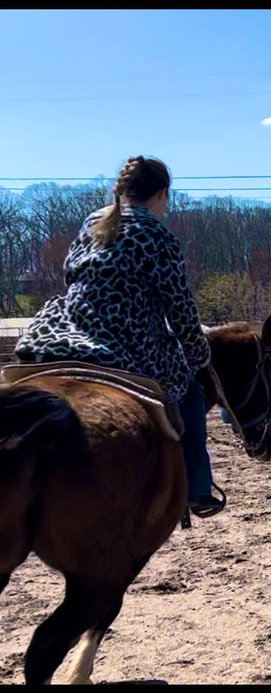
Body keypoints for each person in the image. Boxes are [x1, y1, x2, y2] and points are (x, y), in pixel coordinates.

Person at [13, 155, 224, 517]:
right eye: (167, 199)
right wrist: (199, 355)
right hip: (126, 343)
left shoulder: (92, 223)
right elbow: (181, 309)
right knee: (190, 391)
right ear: (161, 194)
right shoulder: (158, 235)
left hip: (65, 330)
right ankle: (196, 490)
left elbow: (70, 277)